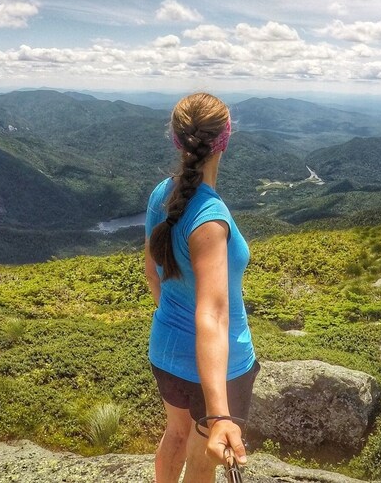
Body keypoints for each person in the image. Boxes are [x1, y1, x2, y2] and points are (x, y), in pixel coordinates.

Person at [144, 92, 259, 483]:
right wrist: (220, 414)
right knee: (201, 457)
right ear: (225, 139)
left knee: (174, 434)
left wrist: (174, 321)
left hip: (165, 350)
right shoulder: (210, 218)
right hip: (218, 366)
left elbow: (152, 270)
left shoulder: (163, 193)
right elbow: (212, 314)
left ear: (177, 140)